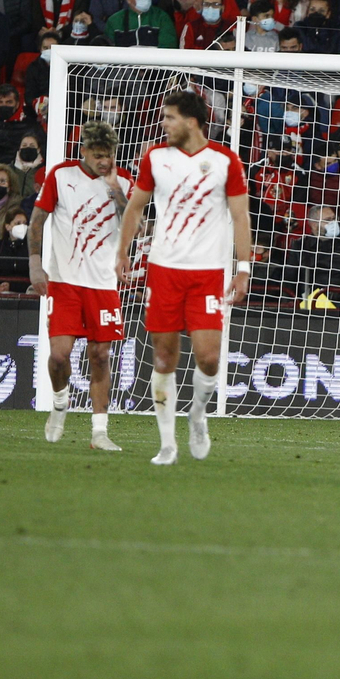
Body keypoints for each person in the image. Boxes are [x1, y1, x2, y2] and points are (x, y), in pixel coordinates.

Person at [115, 92, 251, 466]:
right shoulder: (155, 158)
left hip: (208, 273)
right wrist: (122, 251)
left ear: (192, 121)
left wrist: (243, 268)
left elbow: (240, 217)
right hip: (164, 270)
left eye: (170, 118)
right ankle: (167, 444)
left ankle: (197, 415)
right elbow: (135, 207)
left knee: (208, 359)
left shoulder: (225, 161)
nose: (164, 124)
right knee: (163, 357)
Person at [29, 120, 131, 453]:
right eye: (99, 155)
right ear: (84, 150)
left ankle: (99, 432)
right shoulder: (60, 175)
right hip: (64, 282)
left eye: (110, 155)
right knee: (59, 356)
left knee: (100, 356)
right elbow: (37, 221)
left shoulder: (124, 182)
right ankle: (59, 402)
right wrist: (34, 263)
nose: (105, 162)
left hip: (102, 285)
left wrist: (115, 188)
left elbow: (137, 226)